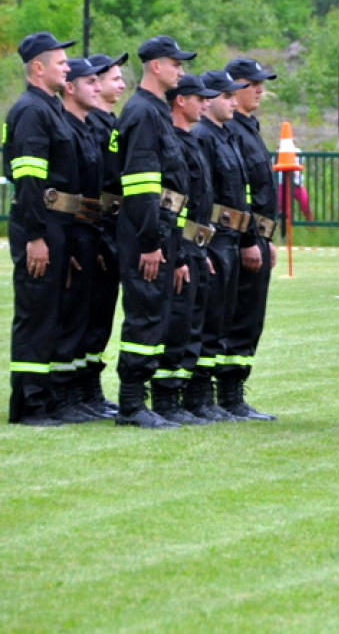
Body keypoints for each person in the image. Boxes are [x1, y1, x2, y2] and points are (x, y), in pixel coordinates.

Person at [114, 35, 194, 428]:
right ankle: (131, 404)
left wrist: (172, 248)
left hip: (161, 231)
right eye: (176, 63)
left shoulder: (156, 110)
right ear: (155, 66)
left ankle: (139, 402)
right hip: (146, 232)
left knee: (155, 314)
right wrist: (149, 242)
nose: (182, 70)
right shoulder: (143, 112)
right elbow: (142, 185)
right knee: (144, 315)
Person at [5, 34, 85, 426]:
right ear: (38, 67)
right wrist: (36, 236)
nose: (67, 67)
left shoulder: (49, 109)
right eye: (61, 63)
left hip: (56, 223)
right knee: (36, 313)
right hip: (40, 222)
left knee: (51, 311)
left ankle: (47, 398)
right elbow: (29, 178)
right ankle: (30, 405)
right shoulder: (32, 111)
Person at [150, 73, 222, 425]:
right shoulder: (173, 143)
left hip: (194, 248)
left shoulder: (190, 141)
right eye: (200, 98)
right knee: (176, 324)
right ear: (181, 100)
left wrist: (200, 251)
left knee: (192, 325)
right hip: (178, 248)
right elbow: (171, 207)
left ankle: (182, 399)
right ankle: (164, 400)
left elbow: (197, 208)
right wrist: (177, 254)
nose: (205, 103)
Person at [190, 71, 253, 422]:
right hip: (214, 240)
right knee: (208, 321)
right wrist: (204, 243)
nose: (233, 101)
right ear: (209, 99)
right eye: (227, 96)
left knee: (221, 321)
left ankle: (208, 398)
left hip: (229, 240)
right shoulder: (203, 136)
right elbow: (203, 197)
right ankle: (198, 397)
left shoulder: (226, 136)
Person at [221, 56, 279, 420]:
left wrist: (267, 238)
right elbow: (237, 195)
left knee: (250, 317)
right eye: (251, 83)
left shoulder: (248, 128)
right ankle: (227, 395)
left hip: (257, 236)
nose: (259, 89)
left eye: (260, 83)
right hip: (243, 237)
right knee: (238, 316)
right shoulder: (231, 131)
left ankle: (233, 393)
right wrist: (249, 240)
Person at [51, 58, 106, 422]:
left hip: (90, 234)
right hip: (70, 235)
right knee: (68, 320)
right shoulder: (65, 129)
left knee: (86, 319)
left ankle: (83, 393)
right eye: (90, 82)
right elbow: (57, 195)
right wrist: (65, 244)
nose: (98, 87)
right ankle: (61, 397)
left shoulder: (85, 128)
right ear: (70, 88)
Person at [80, 51, 128, 418]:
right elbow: (93, 186)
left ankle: (91, 391)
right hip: (95, 229)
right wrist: (96, 235)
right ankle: (80, 392)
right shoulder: (91, 125)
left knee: (101, 315)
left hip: (111, 228)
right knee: (87, 312)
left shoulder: (109, 123)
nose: (121, 84)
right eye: (113, 77)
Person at [278, 148, 314, 222]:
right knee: (280, 206)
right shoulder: (279, 152)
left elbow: (300, 164)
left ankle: (312, 226)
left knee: (305, 203)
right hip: (282, 183)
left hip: (297, 183)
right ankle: (282, 227)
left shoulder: (298, 152)